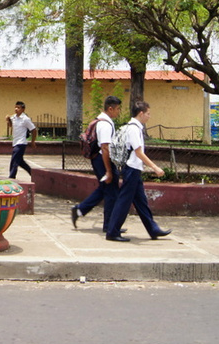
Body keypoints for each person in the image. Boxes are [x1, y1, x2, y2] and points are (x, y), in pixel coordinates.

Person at [104, 100, 171, 242]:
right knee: (123, 201)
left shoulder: (133, 127)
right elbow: (139, 152)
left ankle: (153, 229)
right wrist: (155, 167)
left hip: (134, 169)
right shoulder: (134, 129)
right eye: (148, 113)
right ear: (141, 113)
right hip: (132, 169)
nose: (149, 116)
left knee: (141, 202)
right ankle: (112, 231)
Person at [70, 96, 123, 233]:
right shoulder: (105, 124)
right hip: (102, 160)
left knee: (105, 189)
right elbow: (105, 148)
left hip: (99, 159)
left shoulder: (101, 121)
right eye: (117, 109)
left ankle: (80, 210)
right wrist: (109, 171)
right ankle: (109, 225)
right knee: (111, 192)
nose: (119, 112)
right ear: (110, 109)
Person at [5, 101, 37, 179]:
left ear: (23, 109)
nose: (16, 109)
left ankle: (11, 177)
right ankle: (33, 174)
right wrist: (8, 120)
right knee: (20, 162)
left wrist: (33, 141)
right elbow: (11, 125)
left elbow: (34, 130)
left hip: (21, 143)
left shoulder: (25, 119)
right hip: (15, 142)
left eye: (18, 107)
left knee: (14, 161)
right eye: (15, 107)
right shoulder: (14, 117)